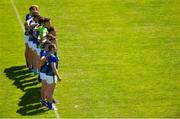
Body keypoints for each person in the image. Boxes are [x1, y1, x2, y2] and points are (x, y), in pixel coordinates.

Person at [46, 44, 62, 109]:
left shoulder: (49, 55)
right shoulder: (52, 57)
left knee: (49, 90)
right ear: (52, 49)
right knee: (51, 92)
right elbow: (54, 68)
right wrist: (58, 76)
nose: (56, 49)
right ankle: (50, 105)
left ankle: (50, 103)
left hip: (47, 74)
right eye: (55, 48)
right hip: (51, 75)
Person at [39, 41, 51, 106]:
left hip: (47, 72)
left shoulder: (47, 52)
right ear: (46, 46)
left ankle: (46, 99)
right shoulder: (43, 52)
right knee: (44, 87)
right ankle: (43, 100)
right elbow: (41, 60)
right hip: (43, 72)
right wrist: (48, 56)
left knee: (47, 87)